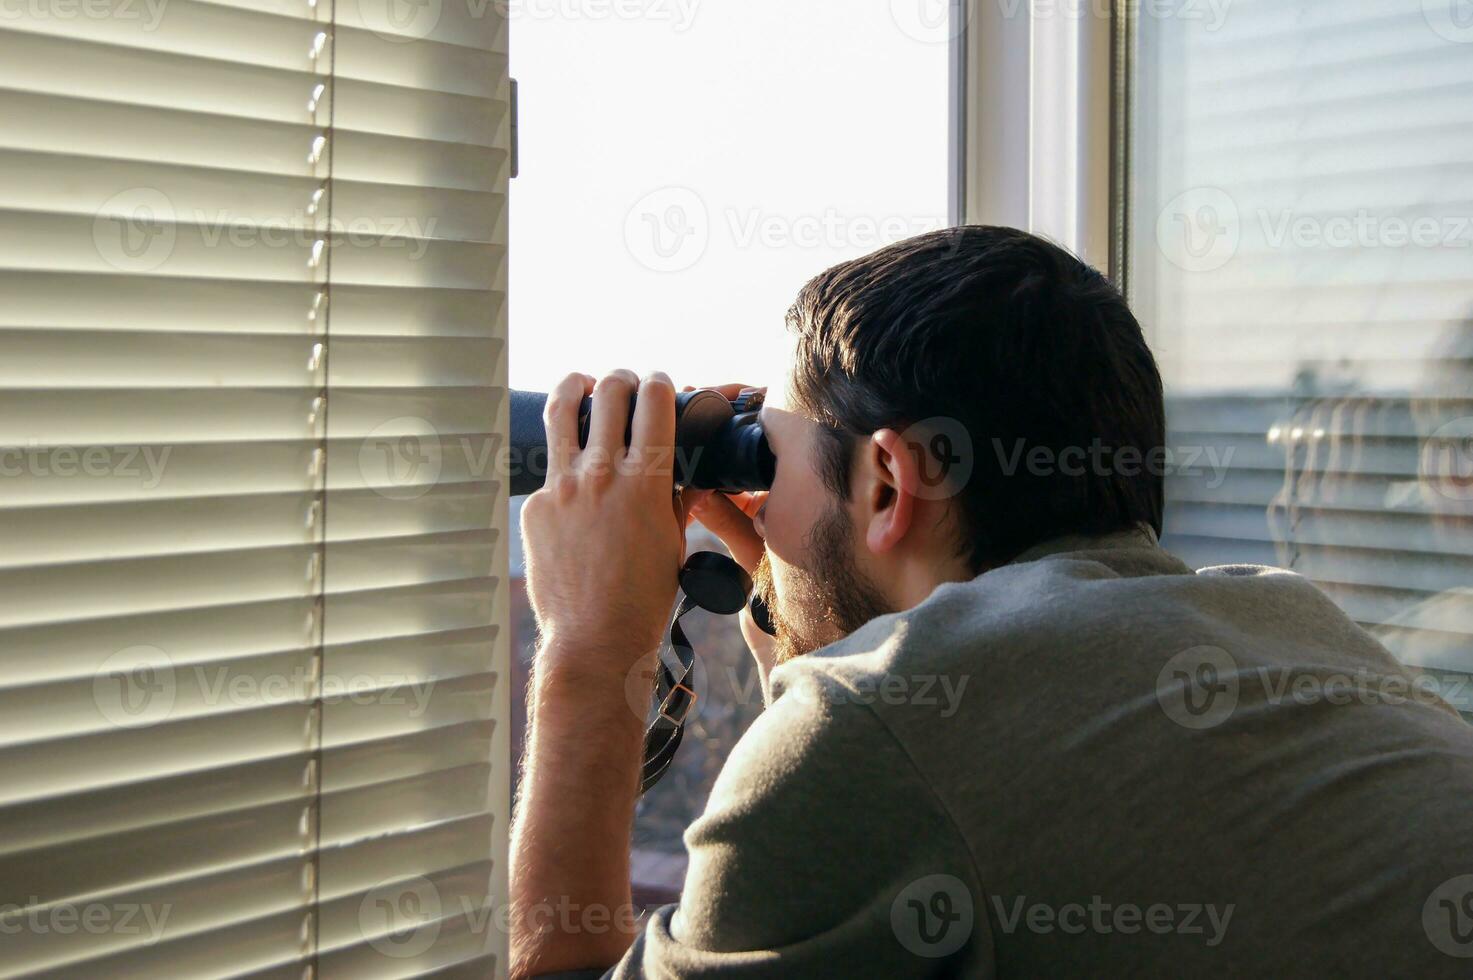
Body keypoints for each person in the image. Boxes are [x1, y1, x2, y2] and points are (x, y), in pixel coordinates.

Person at [509, 226, 1473, 978]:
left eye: (777, 454)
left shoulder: (872, 724)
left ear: (887, 481)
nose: (764, 502)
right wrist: (807, 641)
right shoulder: (1288, 620)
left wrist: (590, 650)